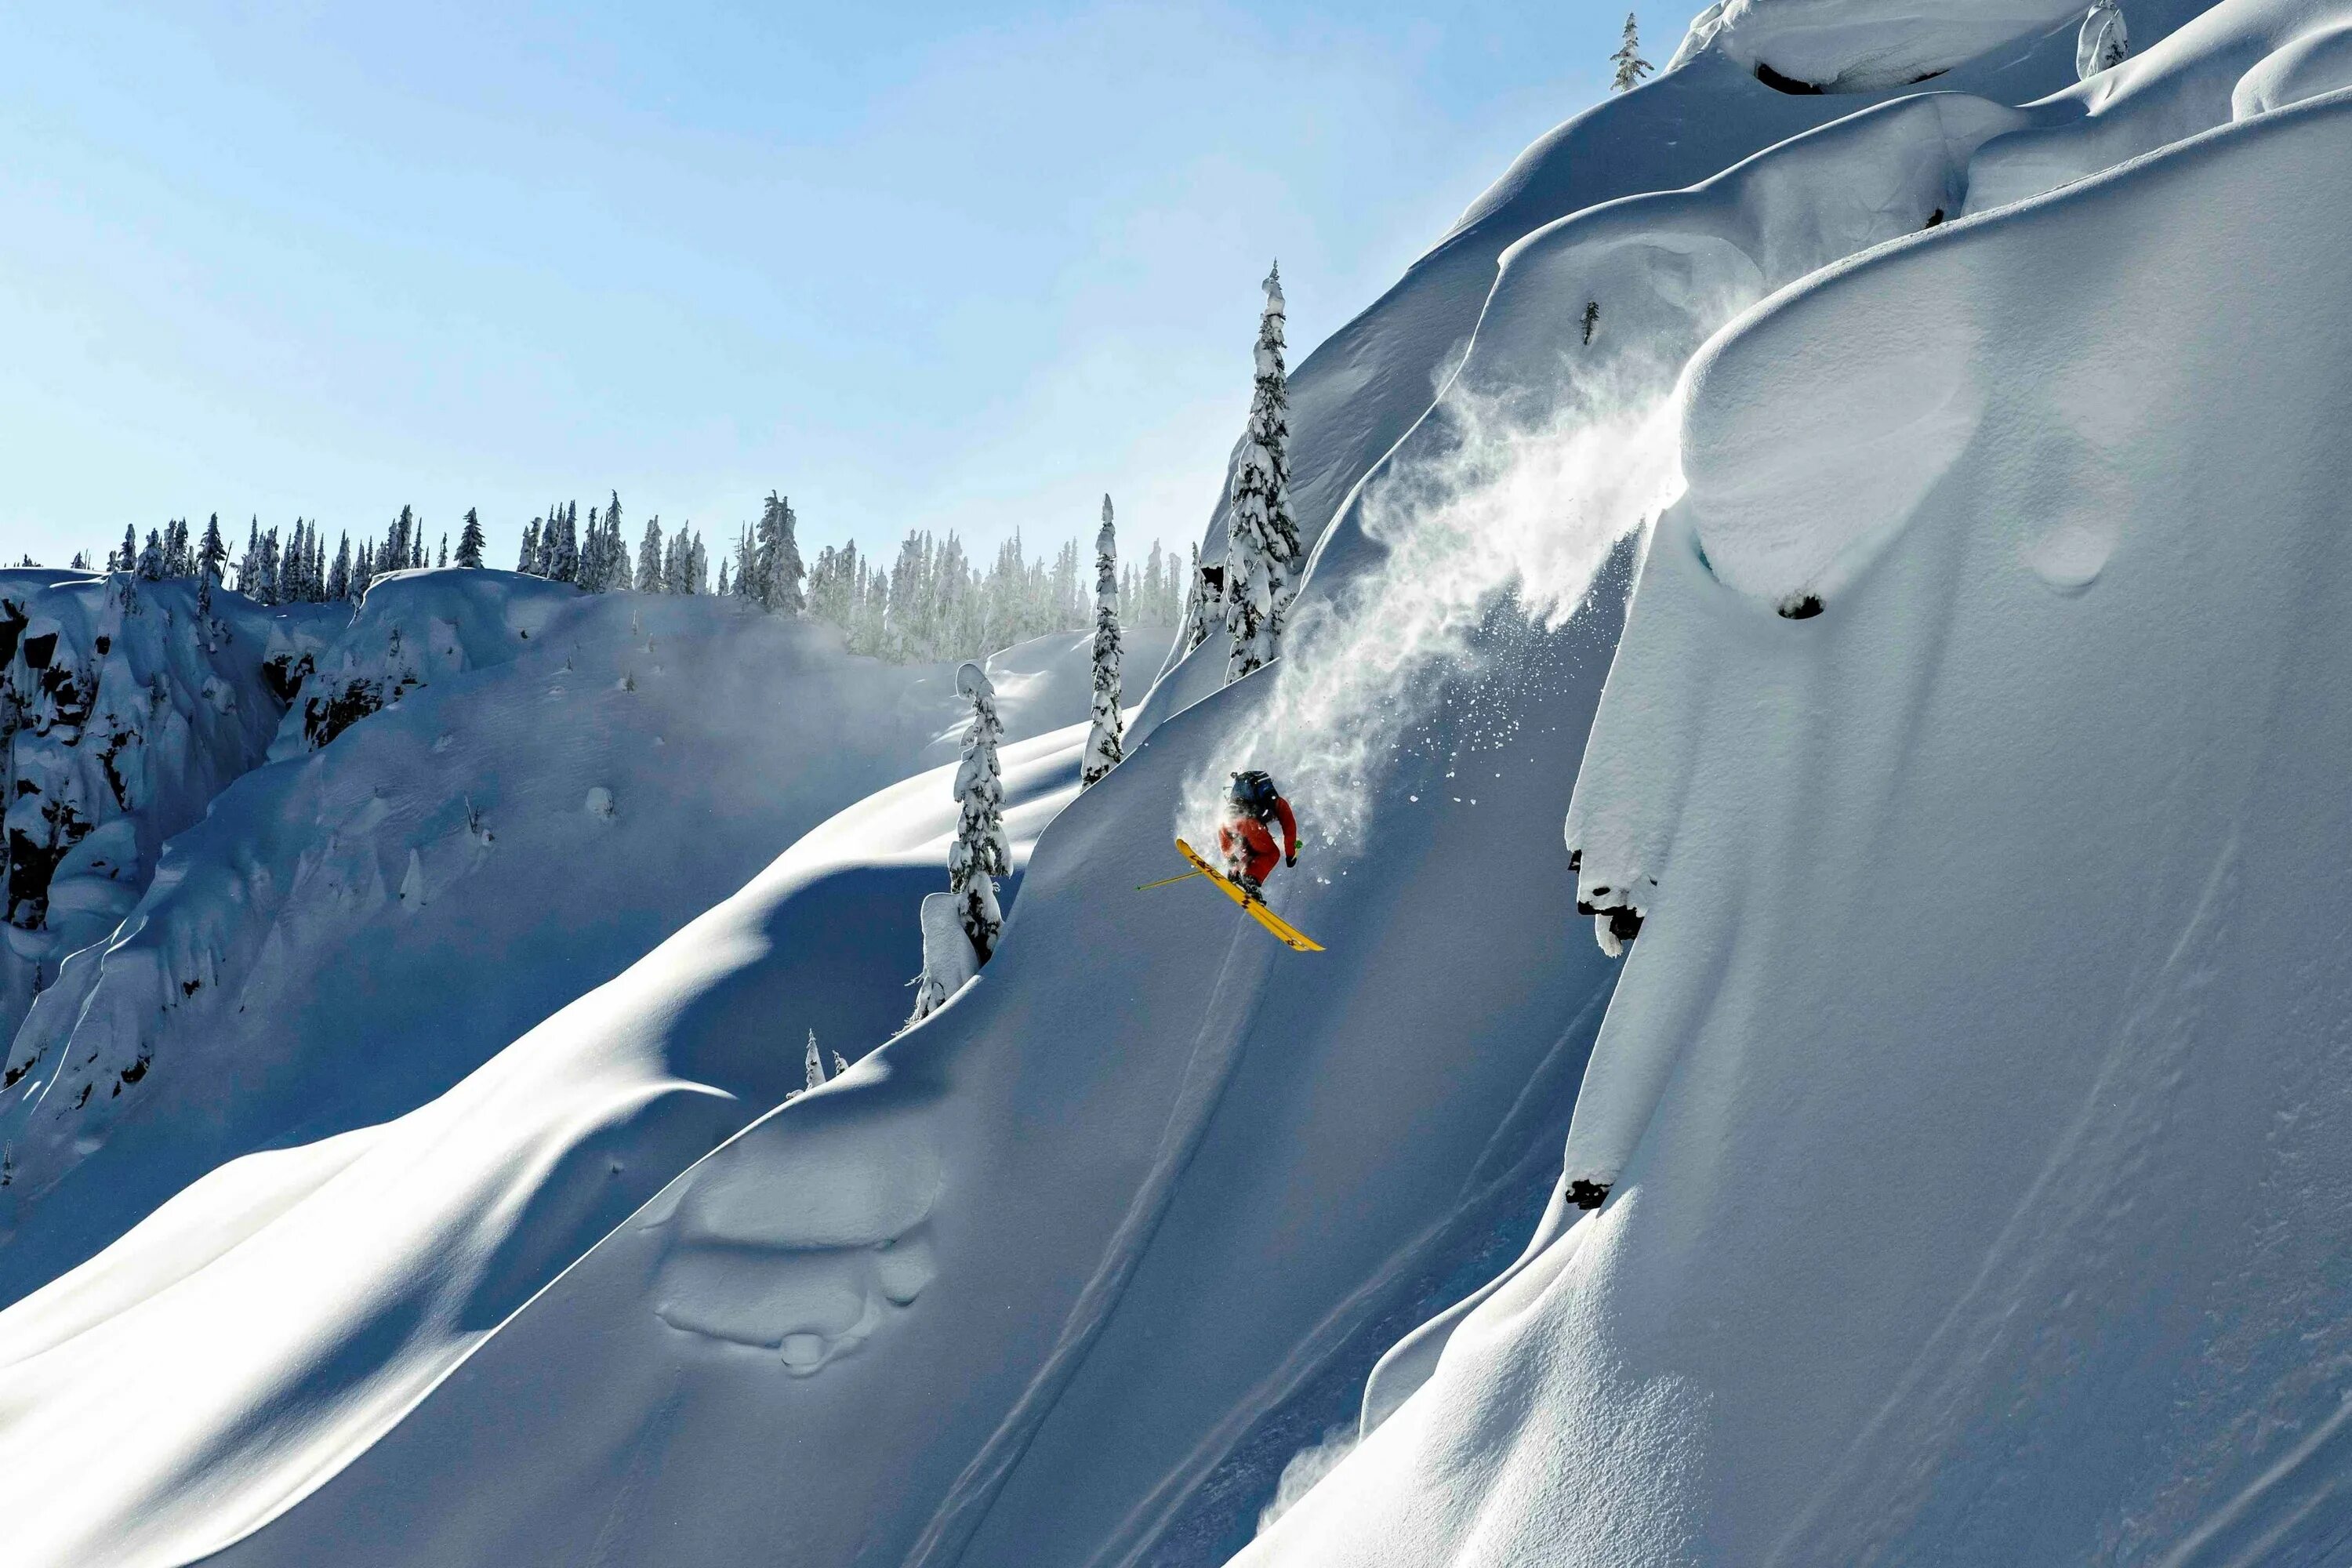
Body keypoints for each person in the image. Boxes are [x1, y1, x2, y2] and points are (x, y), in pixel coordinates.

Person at [1217, 769, 1298, 900]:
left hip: (1225, 824)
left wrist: (1229, 857)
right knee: (1271, 853)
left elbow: (1225, 830)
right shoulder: (1278, 802)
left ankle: (1236, 872)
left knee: (1254, 854)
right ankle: (1250, 881)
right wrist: (1290, 854)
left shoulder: (1239, 799)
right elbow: (1290, 828)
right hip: (1249, 825)